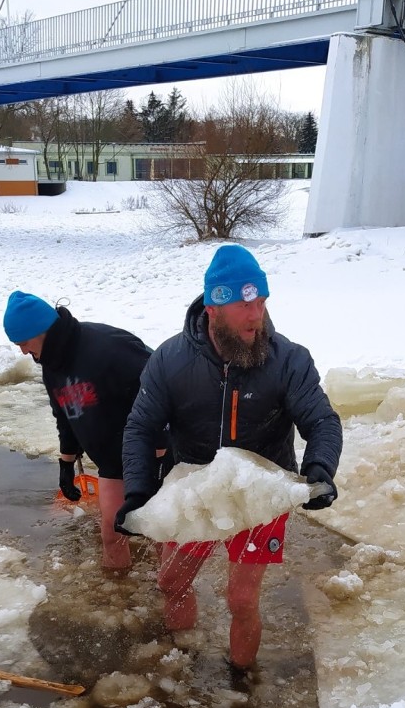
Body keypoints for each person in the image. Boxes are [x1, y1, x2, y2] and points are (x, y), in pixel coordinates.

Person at [116, 245, 343, 671]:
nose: (256, 315)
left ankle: (241, 681)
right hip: (197, 486)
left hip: (261, 493)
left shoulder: (289, 359)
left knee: (240, 599)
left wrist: (320, 468)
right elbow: (140, 428)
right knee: (171, 582)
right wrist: (138, 492)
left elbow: (322, 421)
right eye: (243, 304)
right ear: (214, 307)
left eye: (261, 301)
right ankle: (182, 660)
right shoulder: (170, 360)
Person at [3, 291, 168, 570]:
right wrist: (66, 465)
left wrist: (163, 451)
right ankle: (120, 598)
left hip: (150, 454)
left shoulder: (108, 346)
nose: (22, 351)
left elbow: (163, 385)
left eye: (23, 343)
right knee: (112, 534)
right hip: (112, 462)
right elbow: (65, 416)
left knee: (160, 532)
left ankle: (170, 592)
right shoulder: (50, 366)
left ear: (40, 330)